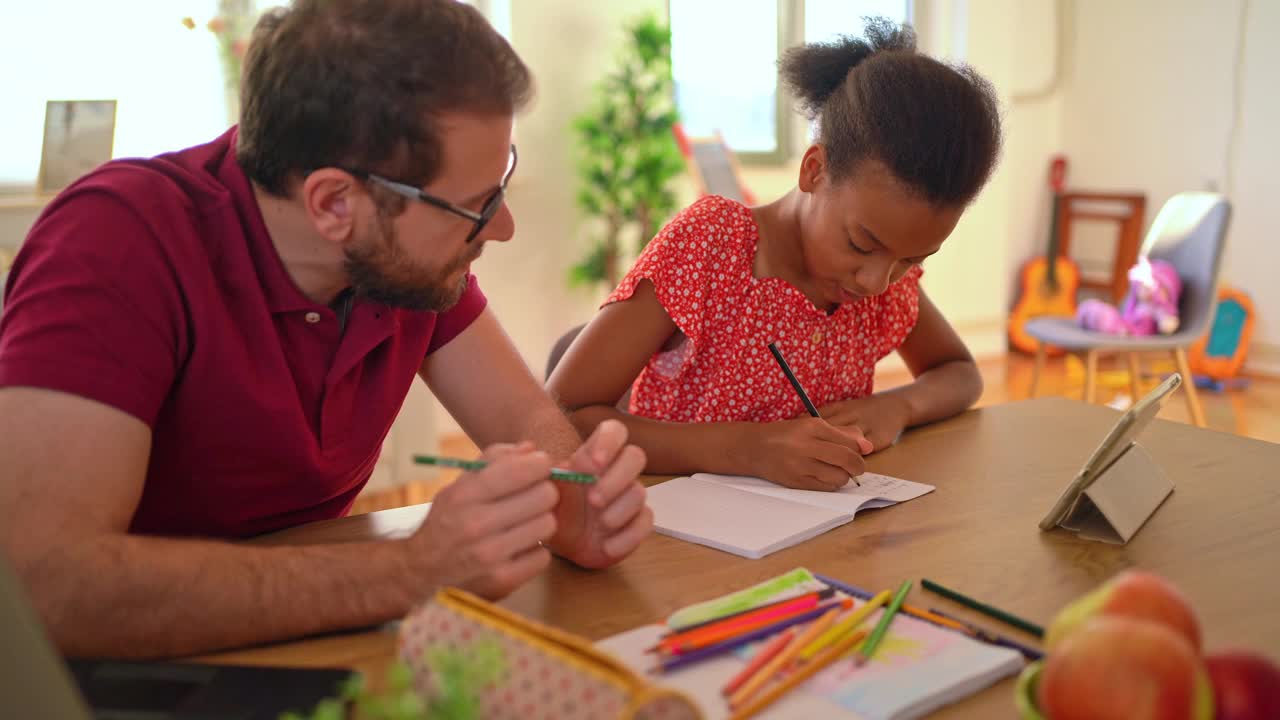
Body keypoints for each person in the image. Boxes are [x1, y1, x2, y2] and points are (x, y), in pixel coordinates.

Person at [0, 0, 652, 659]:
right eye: (476, 206)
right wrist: (409, 571)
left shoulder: (400, 264)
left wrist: (571, 496)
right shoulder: (116, 242)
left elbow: (524, 419)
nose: (503, 228)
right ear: (336, 203)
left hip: (302, 646)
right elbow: (45, 587)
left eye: (501, 182)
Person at [548, 19, 1002, 492]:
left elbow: (960, 374)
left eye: (911, 260)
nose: (876, 281)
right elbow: (562, 416)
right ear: (815, 170)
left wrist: (897, 405)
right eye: (862, 244)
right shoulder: (712, 246)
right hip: (673, 536)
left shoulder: (884, 280)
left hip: (813, 544)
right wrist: (749, 450)